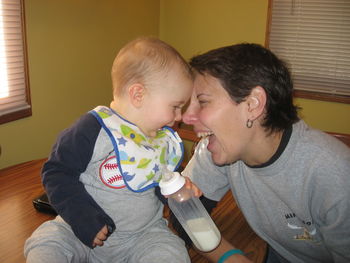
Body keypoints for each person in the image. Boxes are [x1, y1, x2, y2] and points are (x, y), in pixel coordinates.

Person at [24, 37, 194, 263]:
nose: (179, 117)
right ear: (138, 95)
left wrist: (180, 188)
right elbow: (57, 172)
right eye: (175, 106)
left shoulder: (161, 138)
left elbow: (166, 181)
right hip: (79, 230)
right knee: (48, 241)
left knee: (172, 250)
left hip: (142, 236)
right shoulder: (92, 129)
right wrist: (81, 217)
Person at [180, 43, 350, 263]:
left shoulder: (334, 173)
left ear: (253, 104)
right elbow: (183, 212)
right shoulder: (220, 146)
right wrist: (231, 257)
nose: (186, 117)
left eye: (202, 102)